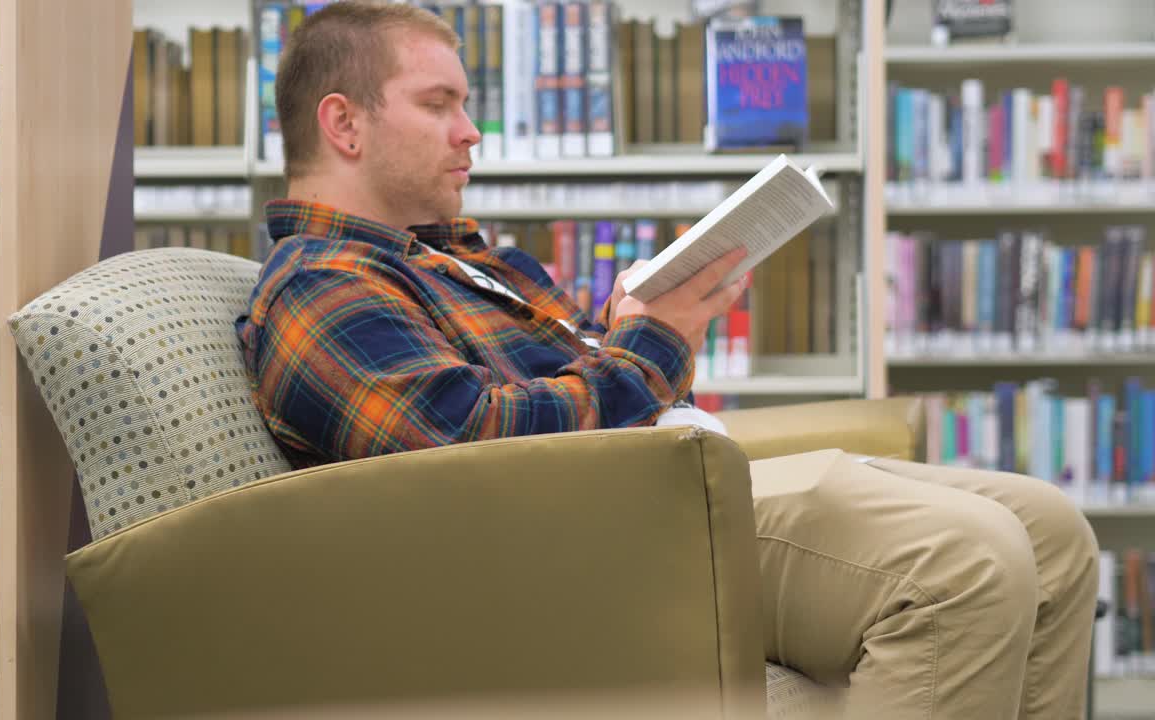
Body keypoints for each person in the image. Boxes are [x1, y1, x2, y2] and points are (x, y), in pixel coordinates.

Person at [235, 3, 1099, 719]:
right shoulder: (321, 287)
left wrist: (626, 337)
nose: (471, 133)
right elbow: (473, 450)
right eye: (438, 105)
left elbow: (563, 392)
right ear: (343, 123)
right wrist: (653, 346)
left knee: (1052, 530)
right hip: (603, 539)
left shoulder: (452, 257)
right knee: (970, 558)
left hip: (665, 485)